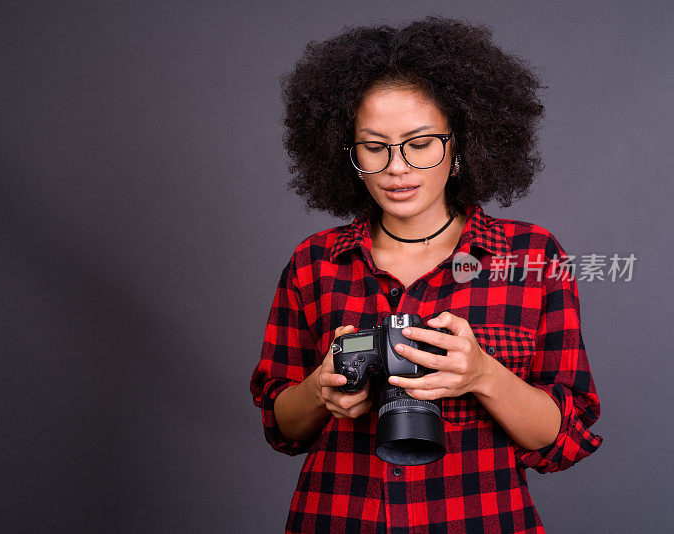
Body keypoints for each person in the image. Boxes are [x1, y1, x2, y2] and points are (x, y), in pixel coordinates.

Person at [249, 16, 603, 534]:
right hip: (337, 517)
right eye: (374, 146)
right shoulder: (315, 262)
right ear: (346, 152)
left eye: (420, 143)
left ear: (459, 145)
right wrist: (321, 389)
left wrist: (482, 374)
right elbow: (281, 428)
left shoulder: (531, 256)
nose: (397, 168)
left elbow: (566, 438)